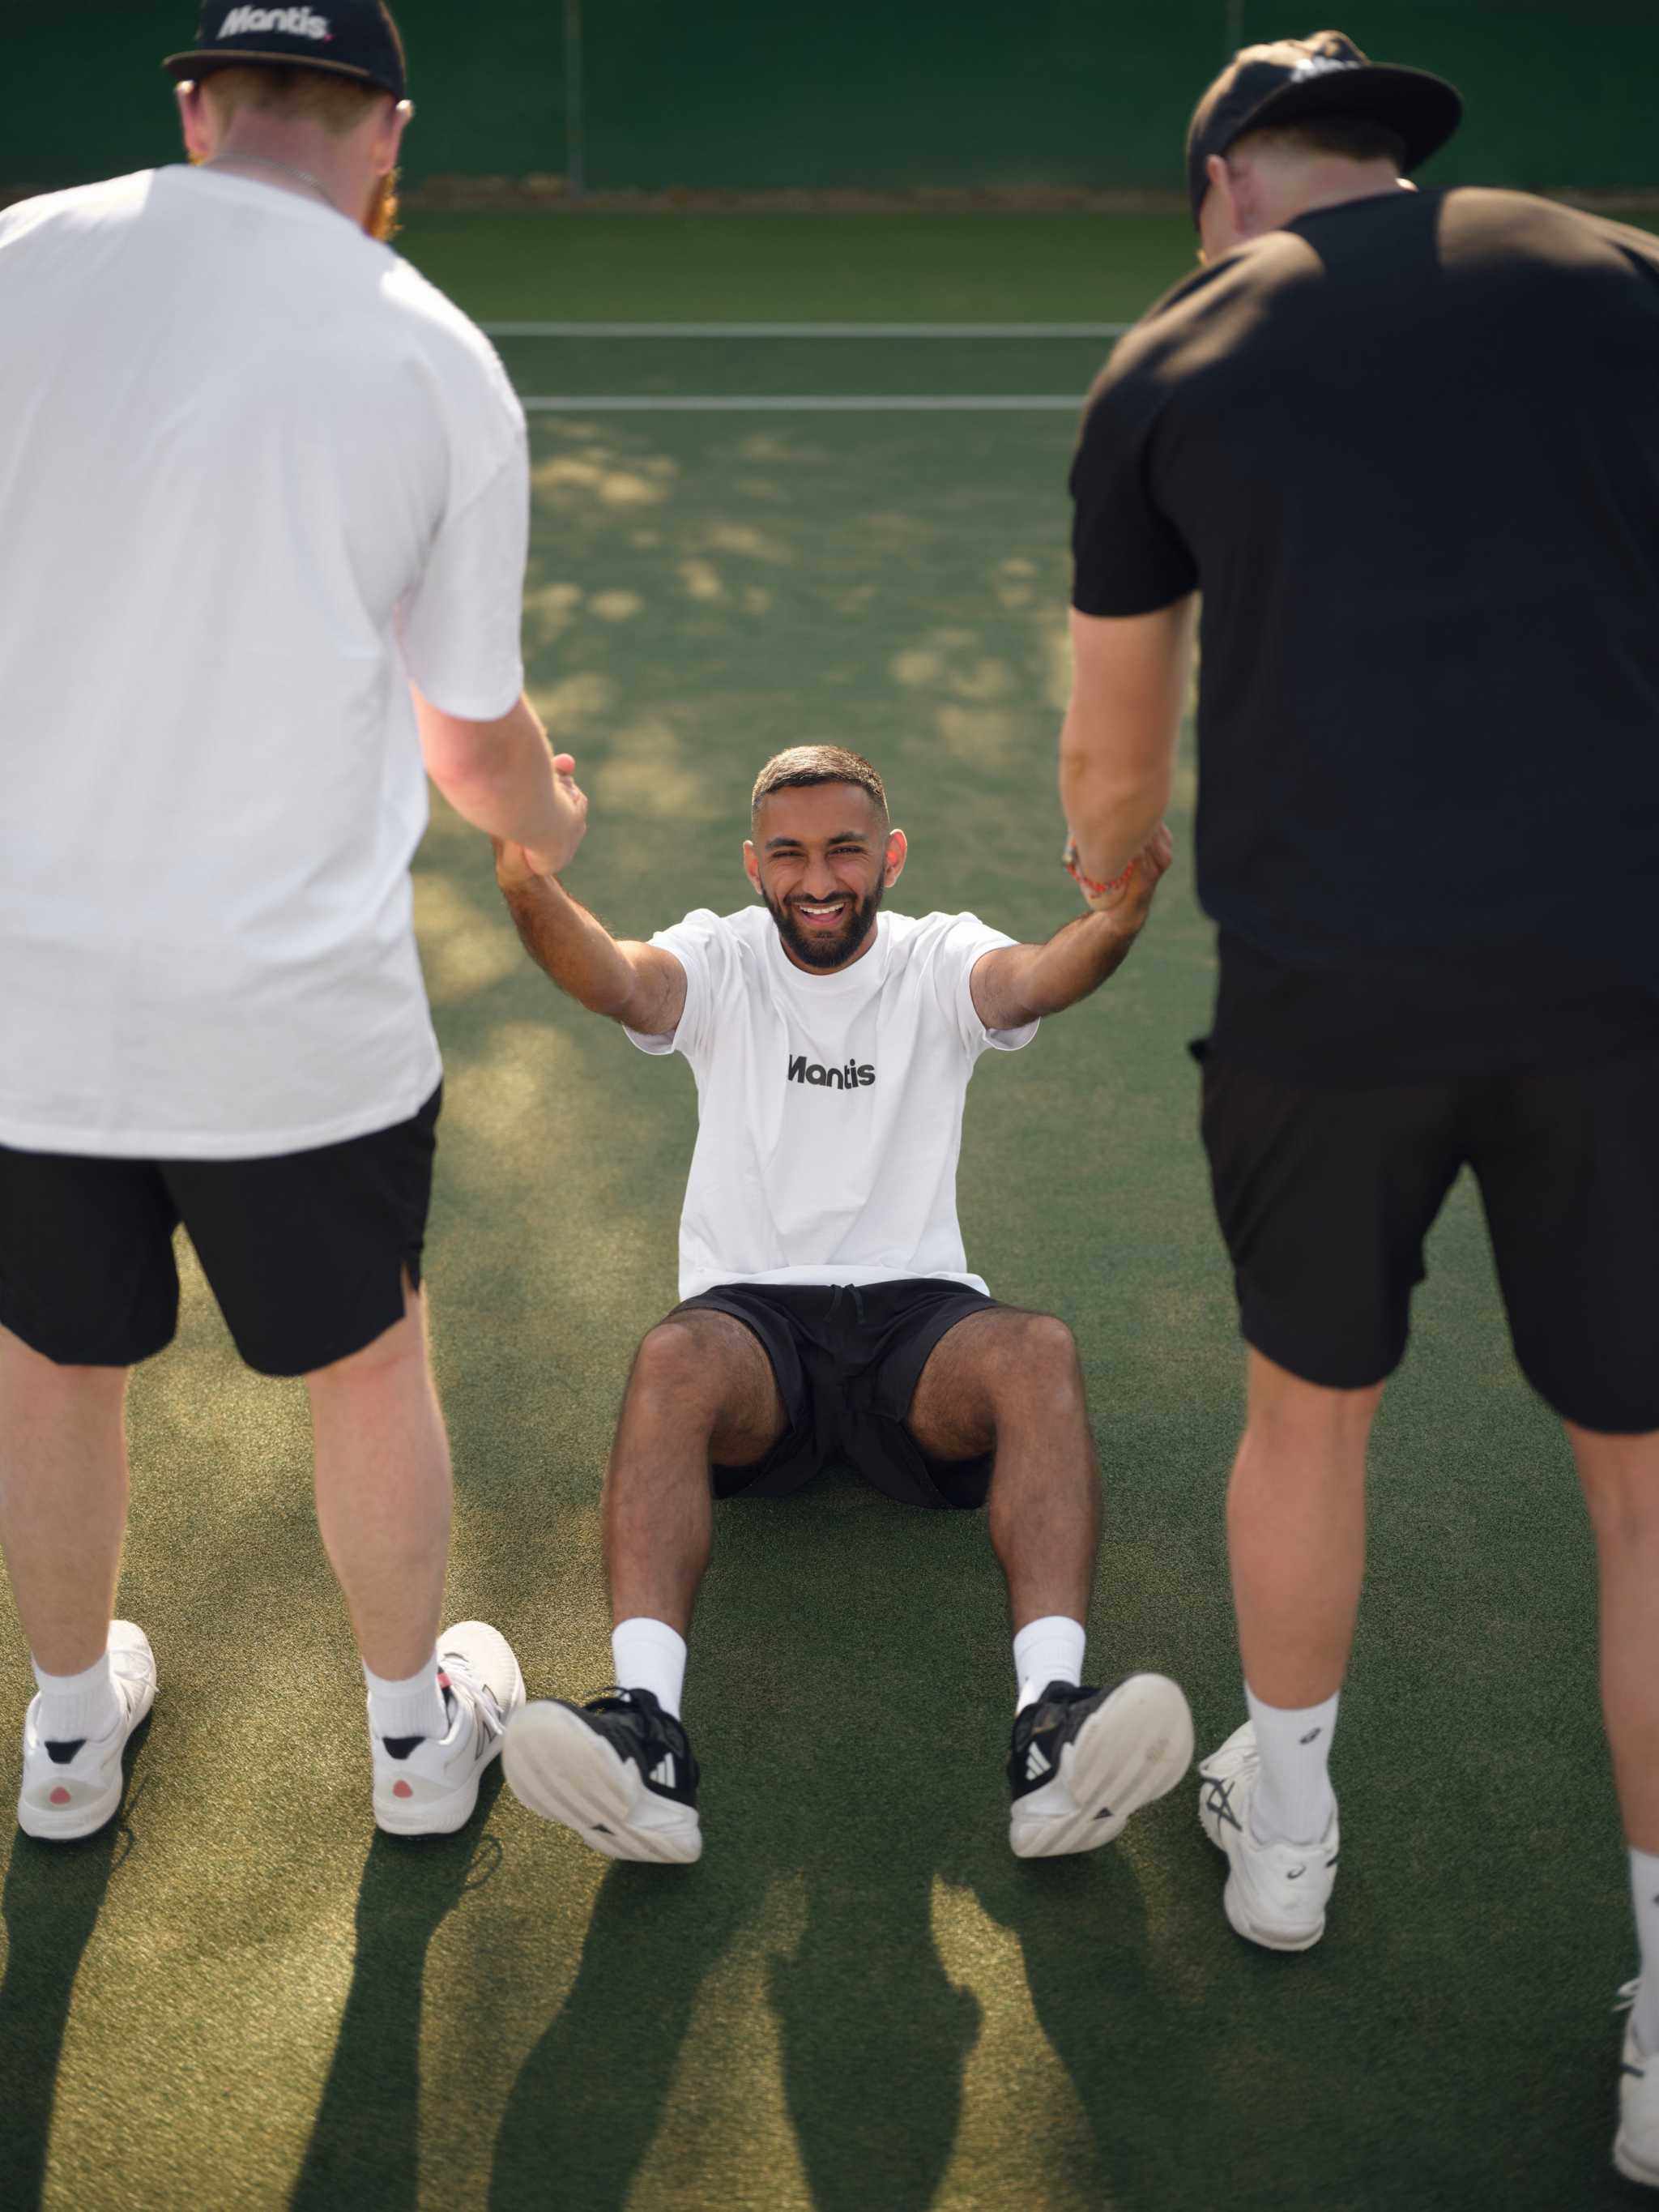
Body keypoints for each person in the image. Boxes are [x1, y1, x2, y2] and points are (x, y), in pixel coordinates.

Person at [1057, 25, 1659, 2188]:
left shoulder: (1176, 351)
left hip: (1329, 997)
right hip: (1620, 980)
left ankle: (1285, 1835)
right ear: (1397, 159)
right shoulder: (1620, 276)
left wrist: (1109, 875)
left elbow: (1115, 774)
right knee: (1645, 1489)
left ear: (1225, 178)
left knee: (1309, 1410)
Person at [0, 0, 586, 1842]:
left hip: (24, 992)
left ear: (197, 103)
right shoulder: (430, 353)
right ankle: (416, 1748)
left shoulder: (12, 261)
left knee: (46, 1361)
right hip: (290, 1016)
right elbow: (475, 736)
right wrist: (551, 821)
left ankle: (68, 1739)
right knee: (369, 1358)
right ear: (387, 133)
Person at [490, 745, 1193, 1863]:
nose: (818, 878)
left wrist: (1115, 920)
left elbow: (1031, 978)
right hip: (752, 1329)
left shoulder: (935, 955)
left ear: (891, 855)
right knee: (670, 1355)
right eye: (790, 854)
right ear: (754, 862)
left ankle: (1054, 1727)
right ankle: (645, 1738)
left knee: (1038, 1349)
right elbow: (623, 979)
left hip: (919, 1322)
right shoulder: (717, 956)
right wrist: (530, 882)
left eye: (845, 851)